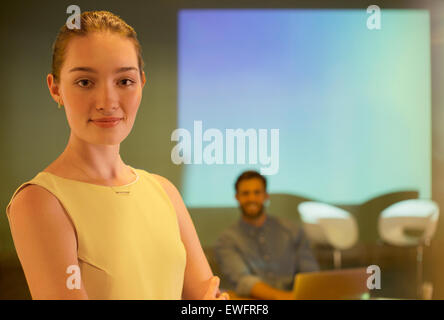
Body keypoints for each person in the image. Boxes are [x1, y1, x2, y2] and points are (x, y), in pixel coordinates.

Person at [5, 10, 228, 300]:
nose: (108, 102)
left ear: (141, 84)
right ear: (55, 88)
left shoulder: (164, 192)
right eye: (85, 82)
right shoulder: (40, 202)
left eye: (124, 81)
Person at [214, 170, 319, 300]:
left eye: (257, 192)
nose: (251, 198)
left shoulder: (292, 230)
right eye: (246, 193)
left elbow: (311, 274)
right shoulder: (226, 240)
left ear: (266, 196)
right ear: (237, 197)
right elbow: (244, 280)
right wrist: (287, 298)